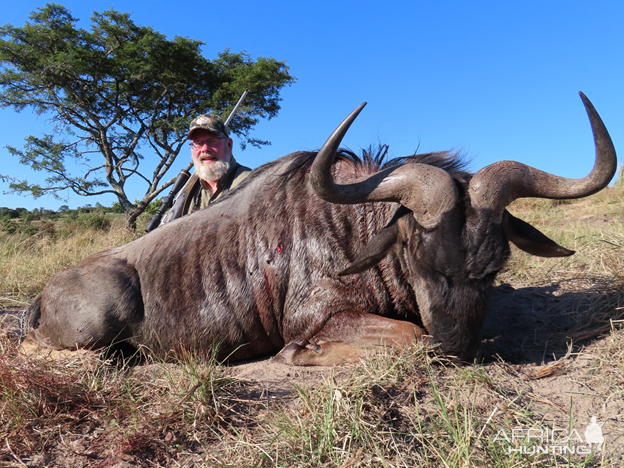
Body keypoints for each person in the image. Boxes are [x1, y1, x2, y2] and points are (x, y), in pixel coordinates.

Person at [161, 114, 251, 224]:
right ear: (191, 148)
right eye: (198, 143)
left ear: (229, 144)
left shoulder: (250, 182)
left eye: (213, 141)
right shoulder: (187, 193)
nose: (205, 149)